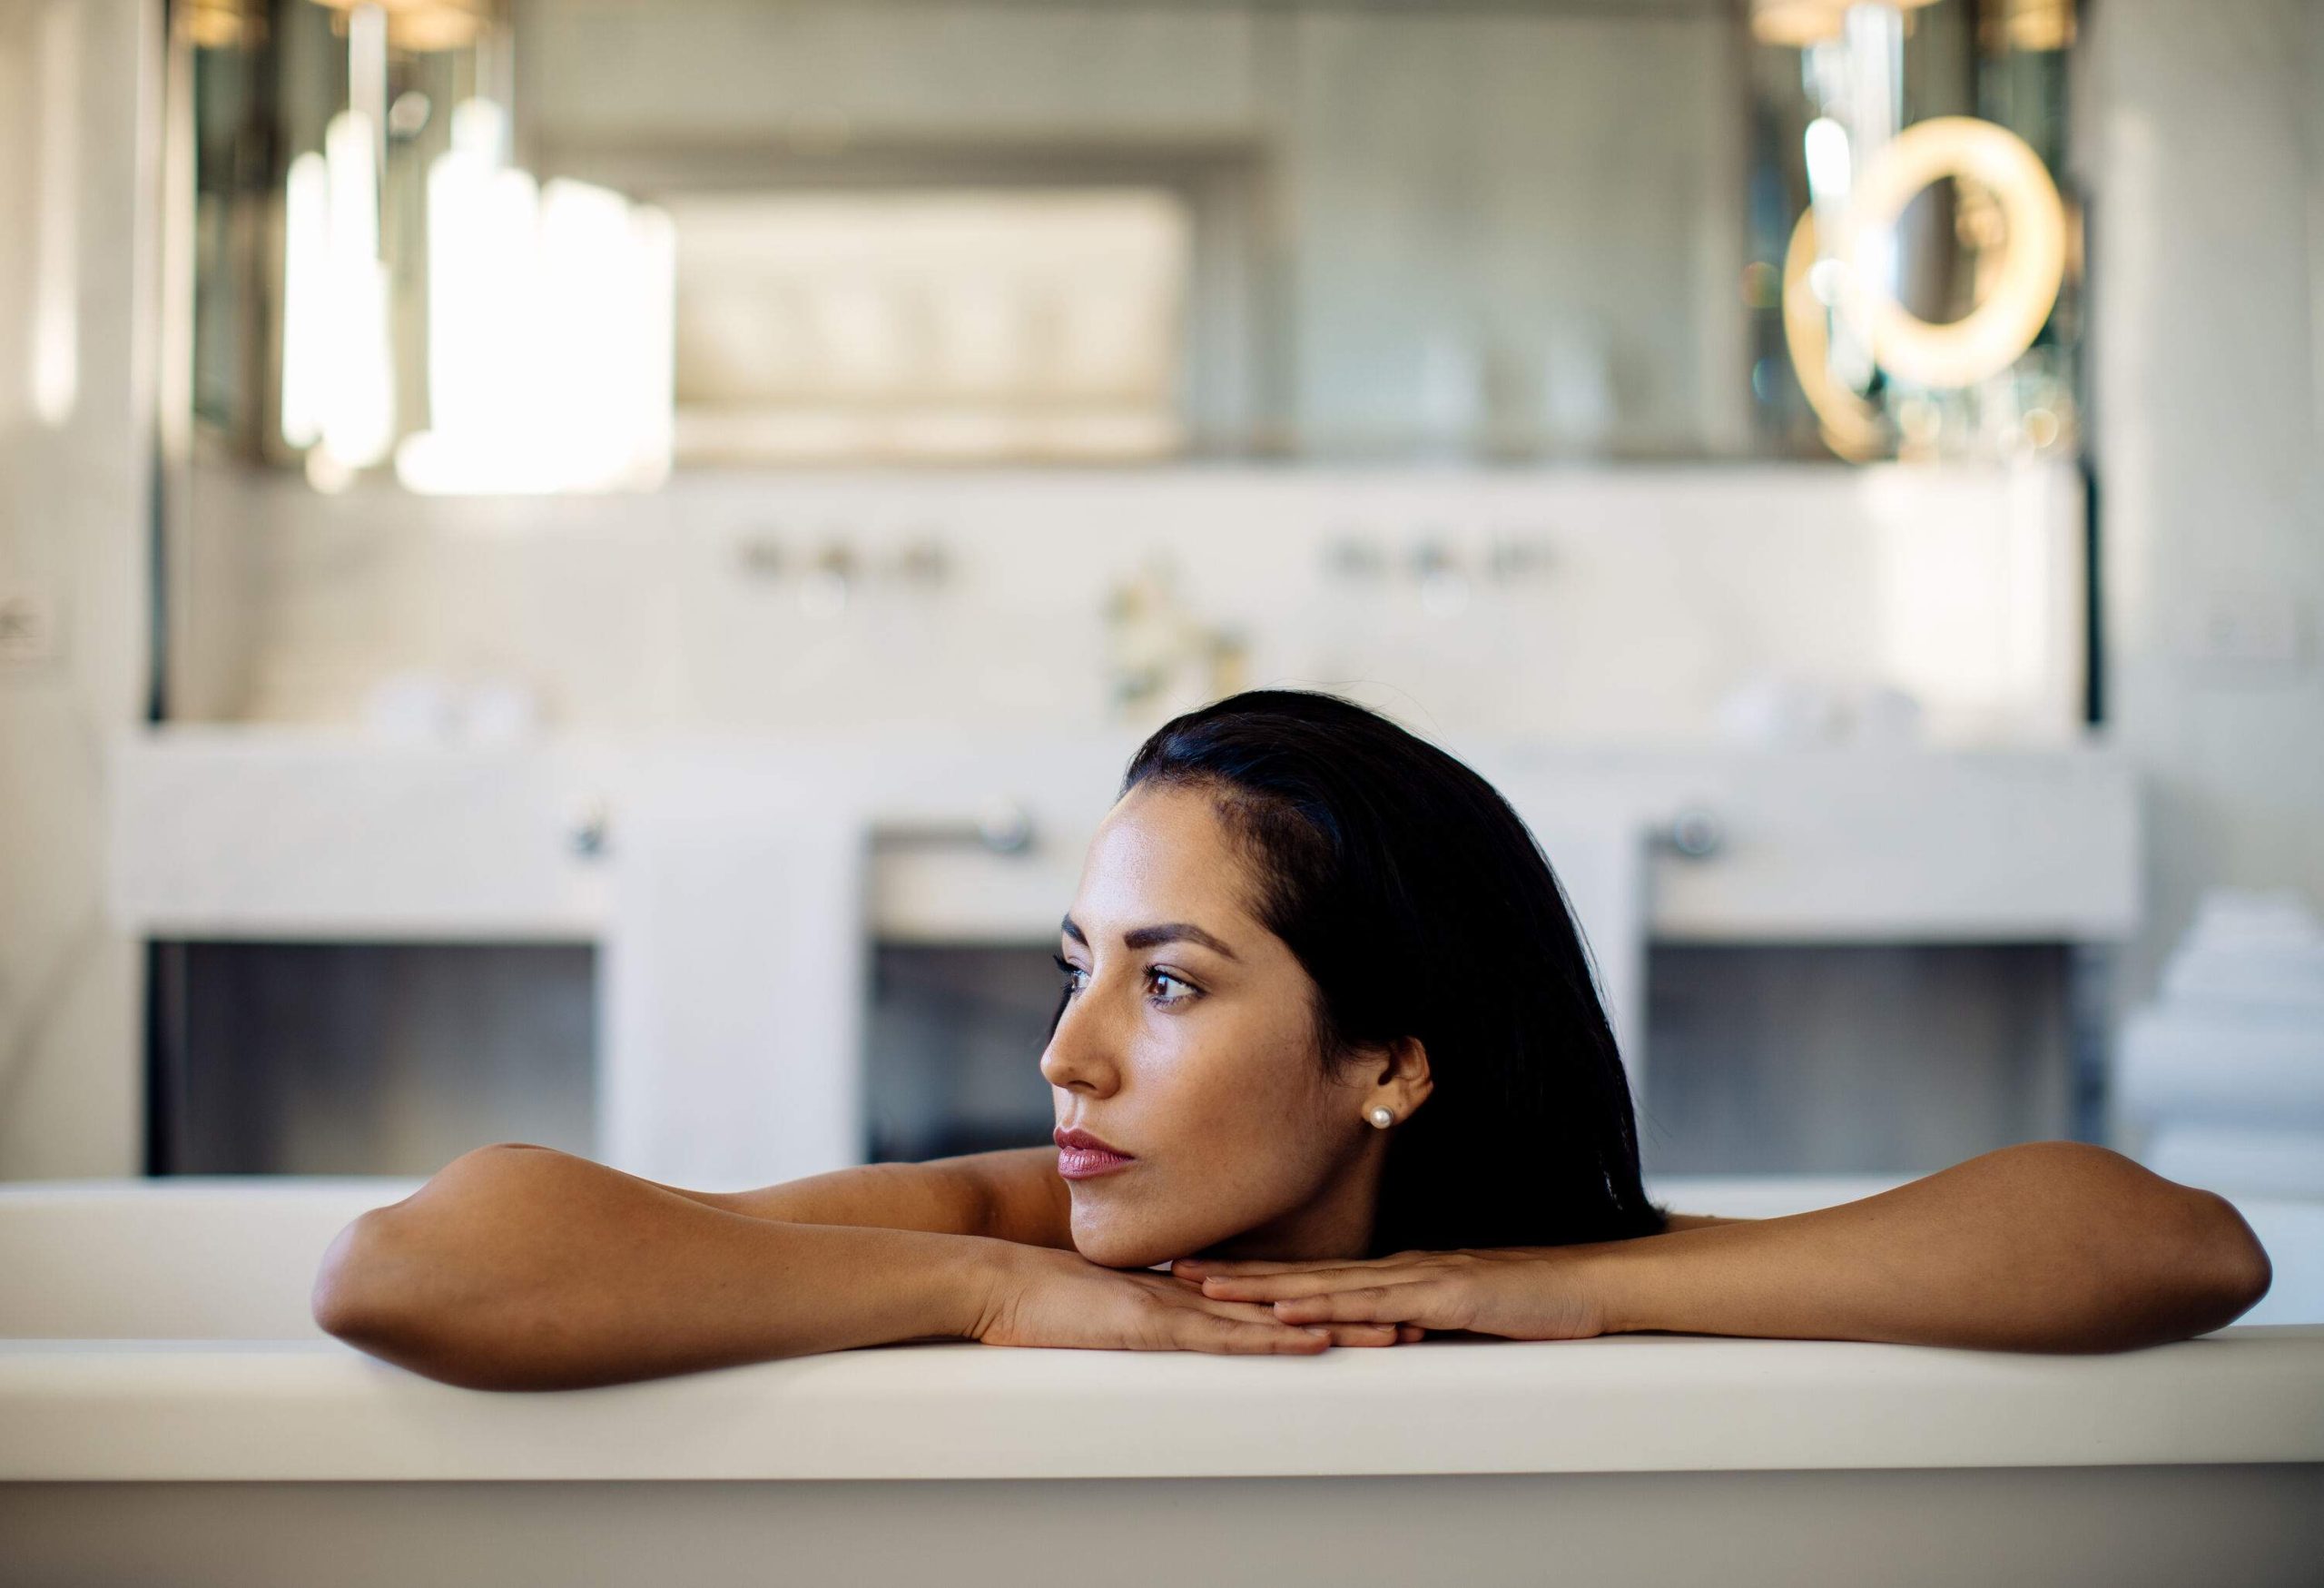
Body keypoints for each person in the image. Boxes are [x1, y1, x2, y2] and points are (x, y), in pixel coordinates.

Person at [311, 690, 2272, 1391]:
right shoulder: (996, 1217)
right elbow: (405, 1266)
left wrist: (1569, 1286)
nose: (1066, 1055)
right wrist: (991, 1299)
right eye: (1076, 964)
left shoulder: (1517, 1272)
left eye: (1167, 981)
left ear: (1387, 1058)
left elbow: (2180, 1245)